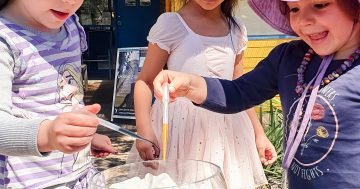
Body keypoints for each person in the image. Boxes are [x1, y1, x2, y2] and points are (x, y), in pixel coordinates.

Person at [153, 0, 360, 188]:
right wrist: (189, 85)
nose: (304, 20)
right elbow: (238, 92)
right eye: (294, 8)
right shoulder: (287, 58)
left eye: (320, 4)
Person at [126, 0, 277, 188]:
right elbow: (145, 81)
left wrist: (259, 133)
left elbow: (240, 90)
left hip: (228, 130)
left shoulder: (236, 29)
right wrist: (144, 130)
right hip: (179, 129)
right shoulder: (171, 23)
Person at [0, 0, 117, 188]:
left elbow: (63, 98)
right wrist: (48, 135)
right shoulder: (5, 40)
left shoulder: (70, 25)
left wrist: (80, 136)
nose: (70, 2)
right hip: (31, 182)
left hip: (82, 175)